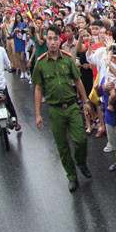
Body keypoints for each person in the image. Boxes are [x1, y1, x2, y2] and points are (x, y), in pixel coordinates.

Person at [32, 25, 93, 192]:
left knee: (80, 139)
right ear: (46, 39)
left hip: (72, 106)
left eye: (55, 39)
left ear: (60, 40)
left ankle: (81, 163)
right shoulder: (40, 63)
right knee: (62, 146)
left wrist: (86, 100)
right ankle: (71, 176)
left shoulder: (67, 59)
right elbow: (38, 88)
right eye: (49, 38)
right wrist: (38, 114)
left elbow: (78, 80)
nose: (52, 42)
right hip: (55, 110)